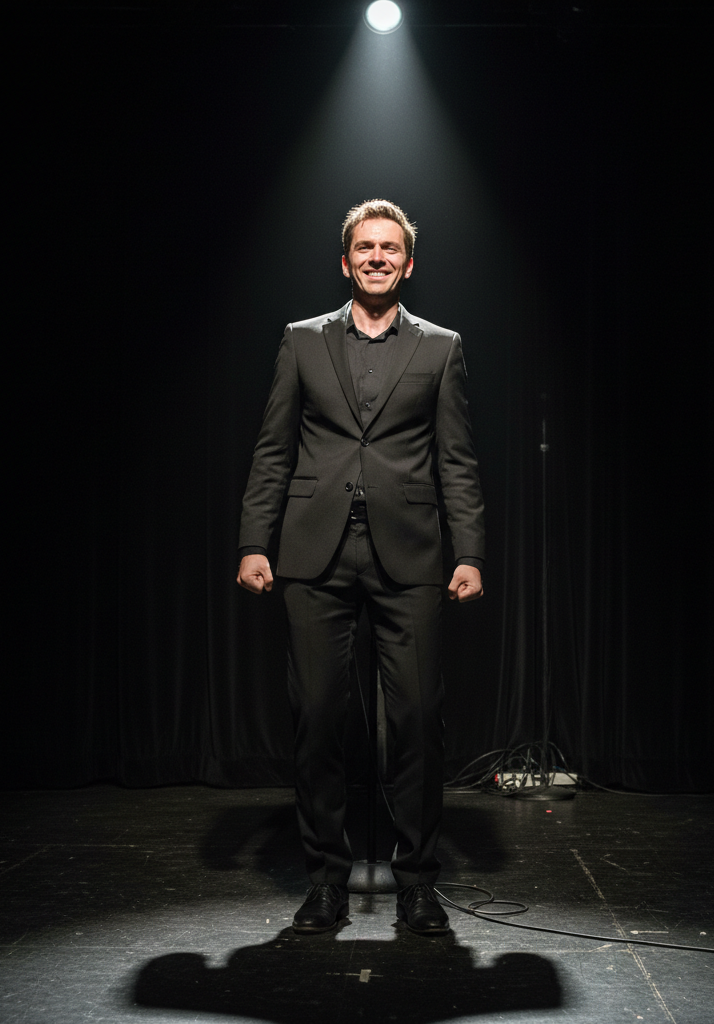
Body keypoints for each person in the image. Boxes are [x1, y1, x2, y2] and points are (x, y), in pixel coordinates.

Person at [236, 199, 485, 936]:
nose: (377, 257)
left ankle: (416, 885)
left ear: (408, 263)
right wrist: (255, 541)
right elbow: (273, 450)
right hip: (313, 555)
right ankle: (325, 885)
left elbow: (457, 460)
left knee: (414, 723)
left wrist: (468, 551)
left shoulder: (441, 347)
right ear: (346, 261)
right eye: (364, 248)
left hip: (410, 556)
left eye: (390, 248)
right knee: (318, 719)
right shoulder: (301, 341)